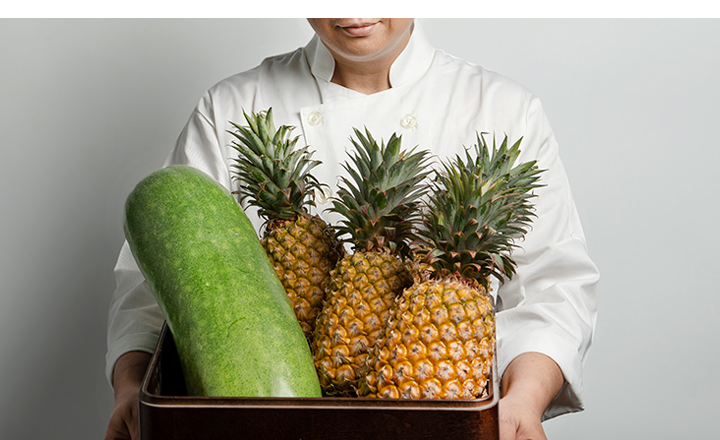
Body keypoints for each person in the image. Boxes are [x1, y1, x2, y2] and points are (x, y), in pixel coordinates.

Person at [104, 18, 599, 440]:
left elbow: (553, 287)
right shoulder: (231, 107)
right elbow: (156, 280)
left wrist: (523, 400)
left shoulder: (503, 109)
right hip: (257, 423)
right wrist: (130, 387)